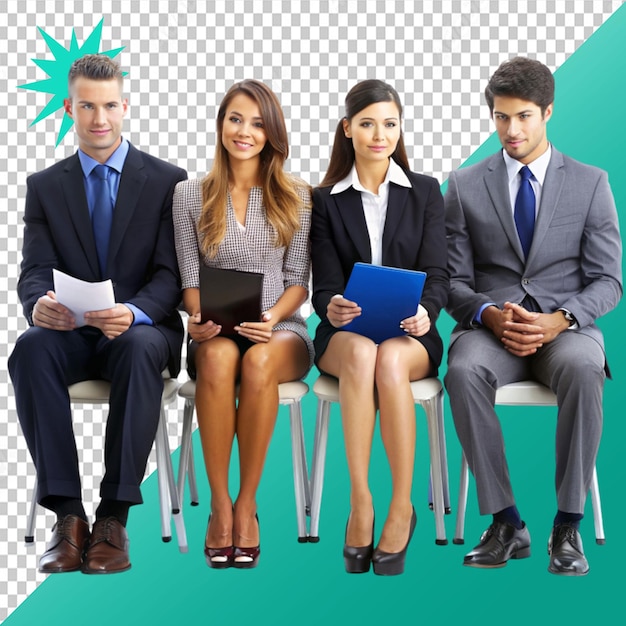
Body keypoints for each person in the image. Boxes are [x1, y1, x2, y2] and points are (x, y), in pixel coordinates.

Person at [8, 54, 187, 574]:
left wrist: (133, 312)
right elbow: (35, 269)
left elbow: (170, 276)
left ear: (125, 106)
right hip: (71, 332)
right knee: (29, 348)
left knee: (135, 349)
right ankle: (68, 516)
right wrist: (39, 302)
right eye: (87, 106)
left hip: (139, 331)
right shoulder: (46, 185)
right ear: (69, 108)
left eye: (109, 106)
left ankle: (113, 516)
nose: (99, 119)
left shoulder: (166, 180)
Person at [444, 56, 622, 576]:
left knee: (587, 369)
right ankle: (507, 522)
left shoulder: (591, 183)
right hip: (490, 329)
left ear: (547, 112)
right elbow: (453, 281)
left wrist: (561, 318)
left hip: (565, 330)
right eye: (501, 117)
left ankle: (567, 525)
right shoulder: (464, 183)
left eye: (523, 116)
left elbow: (609, 281)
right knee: (461, 371)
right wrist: (486, 314)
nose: (511, 129)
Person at [172, 79, 313, 570]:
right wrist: (196, 318)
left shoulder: (296, 195)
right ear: (220, 124)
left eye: (257, 123)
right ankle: (219, 506)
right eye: (235, 118)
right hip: (215, 327)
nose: (245, 131)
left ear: (272, 133)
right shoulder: (189, 194)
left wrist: (272, 317)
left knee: (257, 364)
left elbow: (299, 281)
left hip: (281, 329)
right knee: (214, 358)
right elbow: (189, 275)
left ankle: (247, 505)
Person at [310, 80, 449, 576]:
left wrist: (428, 311)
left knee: (389, 356)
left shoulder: (426, 192)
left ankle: (401, 505)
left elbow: (438, 273)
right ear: (347, 129)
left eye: (389, 123)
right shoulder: (324, 200)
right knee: (364, 354)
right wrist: (333, 307)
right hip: (344, 335)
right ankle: (362, 500)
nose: (378, 134)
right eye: (367, 123)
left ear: (400, 128)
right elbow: (322, 284)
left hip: (410, 332)